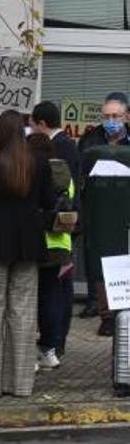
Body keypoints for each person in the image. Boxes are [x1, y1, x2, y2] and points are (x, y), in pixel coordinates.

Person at [0, 110, 53, 398]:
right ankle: (20, 385)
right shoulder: (39, 161)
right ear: (24, 131)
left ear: (0, 132)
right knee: (24, 314)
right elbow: (48, 201)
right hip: (29, 243)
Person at [77, 92, 128, 335]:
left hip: (125, 212)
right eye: (107, 116)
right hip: (97, 212)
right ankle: (106, 315)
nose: (111, 121)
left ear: (126, 116)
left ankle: (124, 313)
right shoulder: (89, 141)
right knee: (100, 265)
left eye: (116, 116)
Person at [26, 132, 77, 369]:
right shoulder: (65, 173)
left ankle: (27, 354)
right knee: (52, 299)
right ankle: (49, 350)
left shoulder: (33, 171)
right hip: (61, 243)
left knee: (27, 300)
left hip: (36, 242)